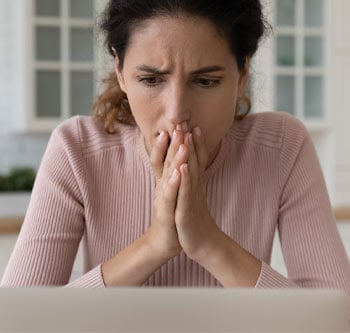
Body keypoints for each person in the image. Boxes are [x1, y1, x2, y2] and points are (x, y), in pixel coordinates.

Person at [1, 0, 349, 292]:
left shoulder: (281, 147)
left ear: (243, 73)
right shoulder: (77, 150)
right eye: (151, 80)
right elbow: (19, 320)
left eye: (206, 81)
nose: (177, 113)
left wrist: (208, 242)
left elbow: (336, 319)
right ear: (120, 70)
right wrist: (155, 245)